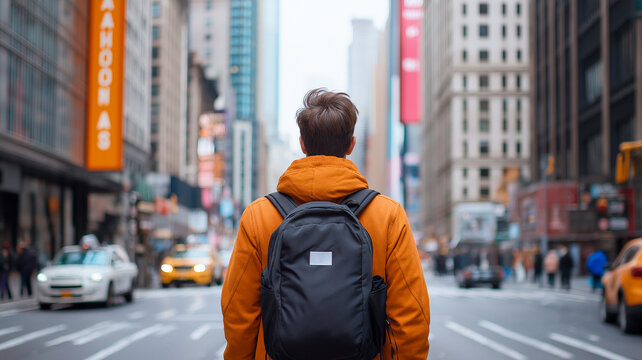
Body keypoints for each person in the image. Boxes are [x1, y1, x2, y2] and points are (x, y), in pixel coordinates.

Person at [221, 89, 430, 359]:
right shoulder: (388, 215)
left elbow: (239, 314)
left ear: (303, 144)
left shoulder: (259, 215)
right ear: (351, 145)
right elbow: (412, 317)